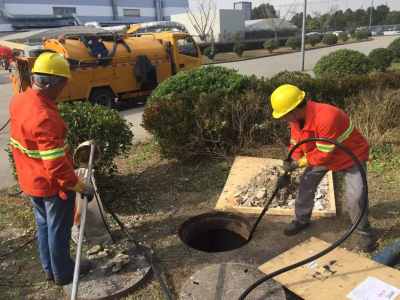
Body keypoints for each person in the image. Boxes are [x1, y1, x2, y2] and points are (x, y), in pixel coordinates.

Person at [9, 52, 94, 285]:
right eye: (63, 84)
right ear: (52, 83)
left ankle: (49, 269)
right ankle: (64, 273)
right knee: (59, 229)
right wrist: (79, 186)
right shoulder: (44, 116)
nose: (64, 89)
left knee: (44, 224)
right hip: (51, 185)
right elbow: (55, 165)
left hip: (30, 180)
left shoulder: (21, 99)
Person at [270, 84, 376, 252]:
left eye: (284, 115)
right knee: (306, 185)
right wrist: (292, 159)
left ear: (295, 109)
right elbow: (297, 142)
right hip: (322, 155)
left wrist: (299, 163)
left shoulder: (327, 117)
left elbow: (324, 153)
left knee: (356, 198)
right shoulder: (296, 120)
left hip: (350, 156)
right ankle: (301, 220)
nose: (283, 119)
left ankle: (365, 234)